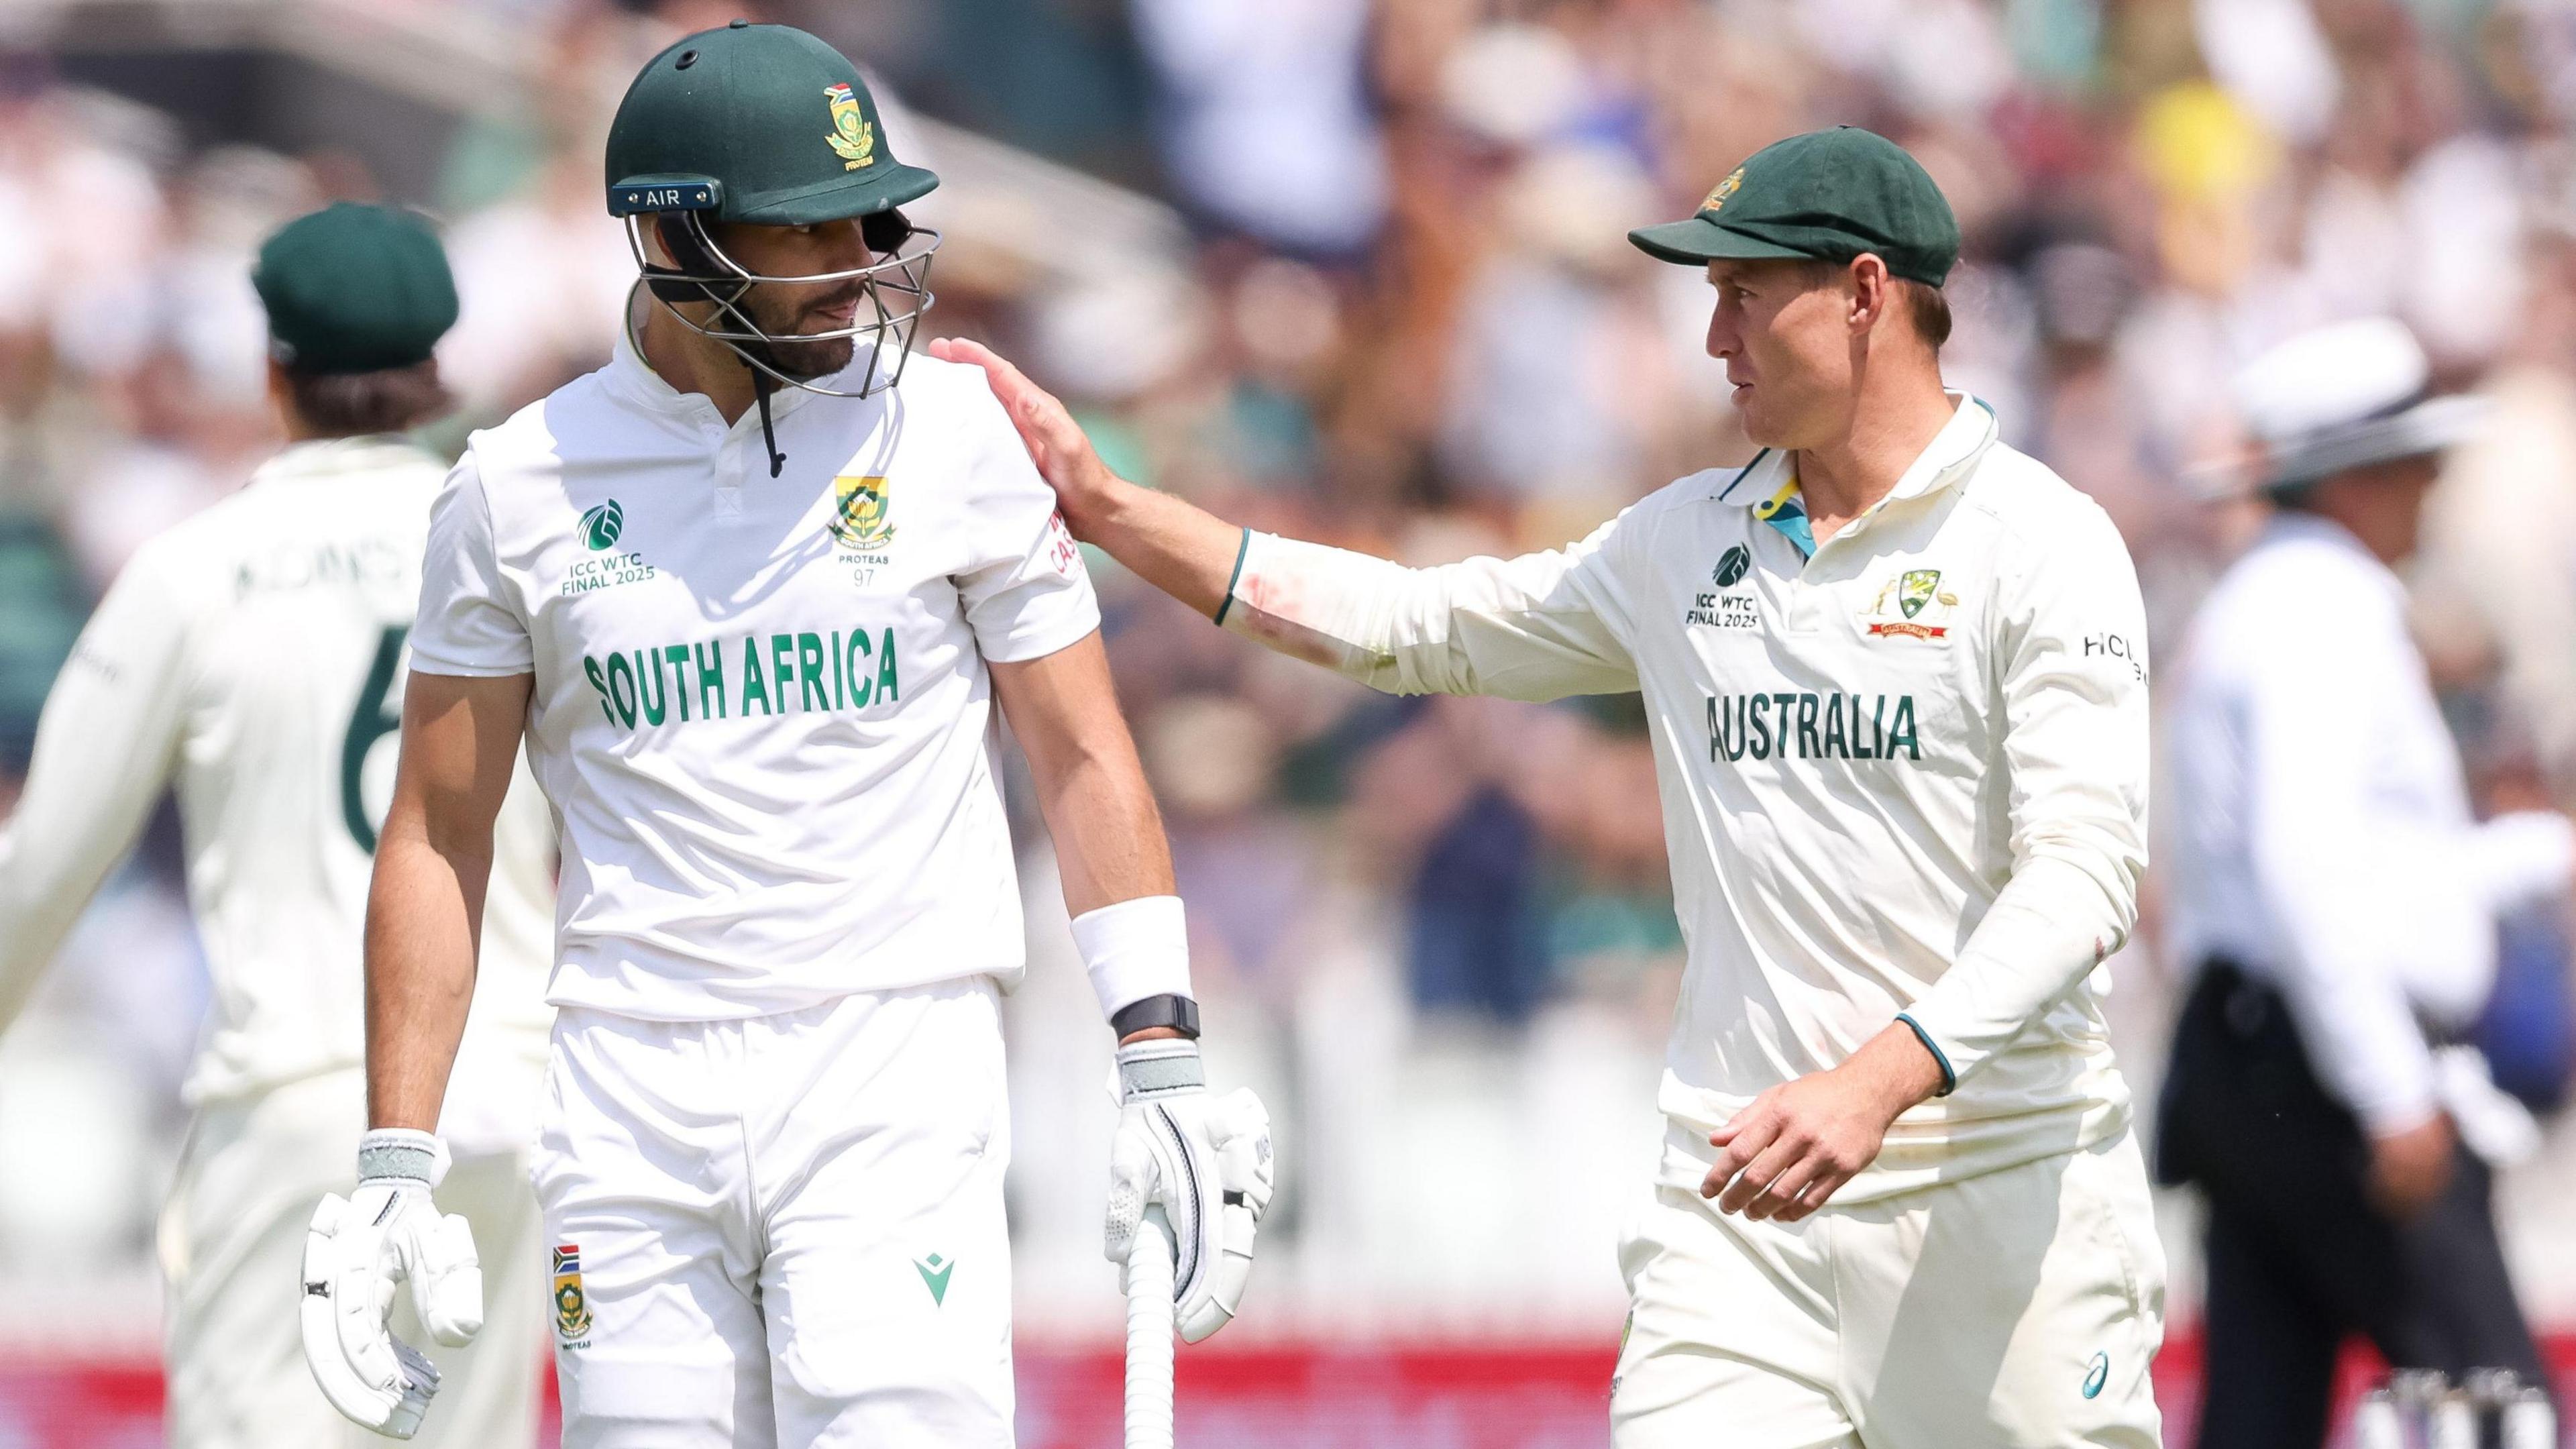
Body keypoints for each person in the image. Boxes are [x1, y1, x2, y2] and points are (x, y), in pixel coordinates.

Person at [941, 123, 2162, 1448]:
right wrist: (1112, 508)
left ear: (1866, 295)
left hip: (1997, 1191)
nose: (1714, 338)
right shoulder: (1686, 541)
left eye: (1745, 294)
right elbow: (1416, 625)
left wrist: (1875, 1083)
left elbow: (2083, 879)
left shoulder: (2042, 544)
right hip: (1741, 1208)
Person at [307, 24, 1273, 1449]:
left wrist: (1161, 1055)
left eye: (864, 221)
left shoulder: (955, 432)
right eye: (807, 231)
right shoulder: (515, 488)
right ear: (676, 235)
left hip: (894, 1060)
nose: (858, 263)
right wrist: (396, 1157)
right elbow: (439, 835)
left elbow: (1081, 758)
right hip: (628, 1087)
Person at [0, 203, 556, 1449]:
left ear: (270, 370)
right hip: (498, 1100)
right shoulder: (526, 551)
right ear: (436, 370)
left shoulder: (199, 570)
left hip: (300, 1109)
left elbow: (42, 868)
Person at [2159, 317, 2572, 1449]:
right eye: (2413, 464)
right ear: (2359, 482)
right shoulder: (2323, 615)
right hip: (2332, 1073)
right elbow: (2307, 868)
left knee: (2261, 1411)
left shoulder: (2263, 605)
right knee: (2495, 1409)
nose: (2434, 487)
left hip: (2255, 1059)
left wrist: (2535, 852)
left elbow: (2342, 862)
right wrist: (2390, 1090)